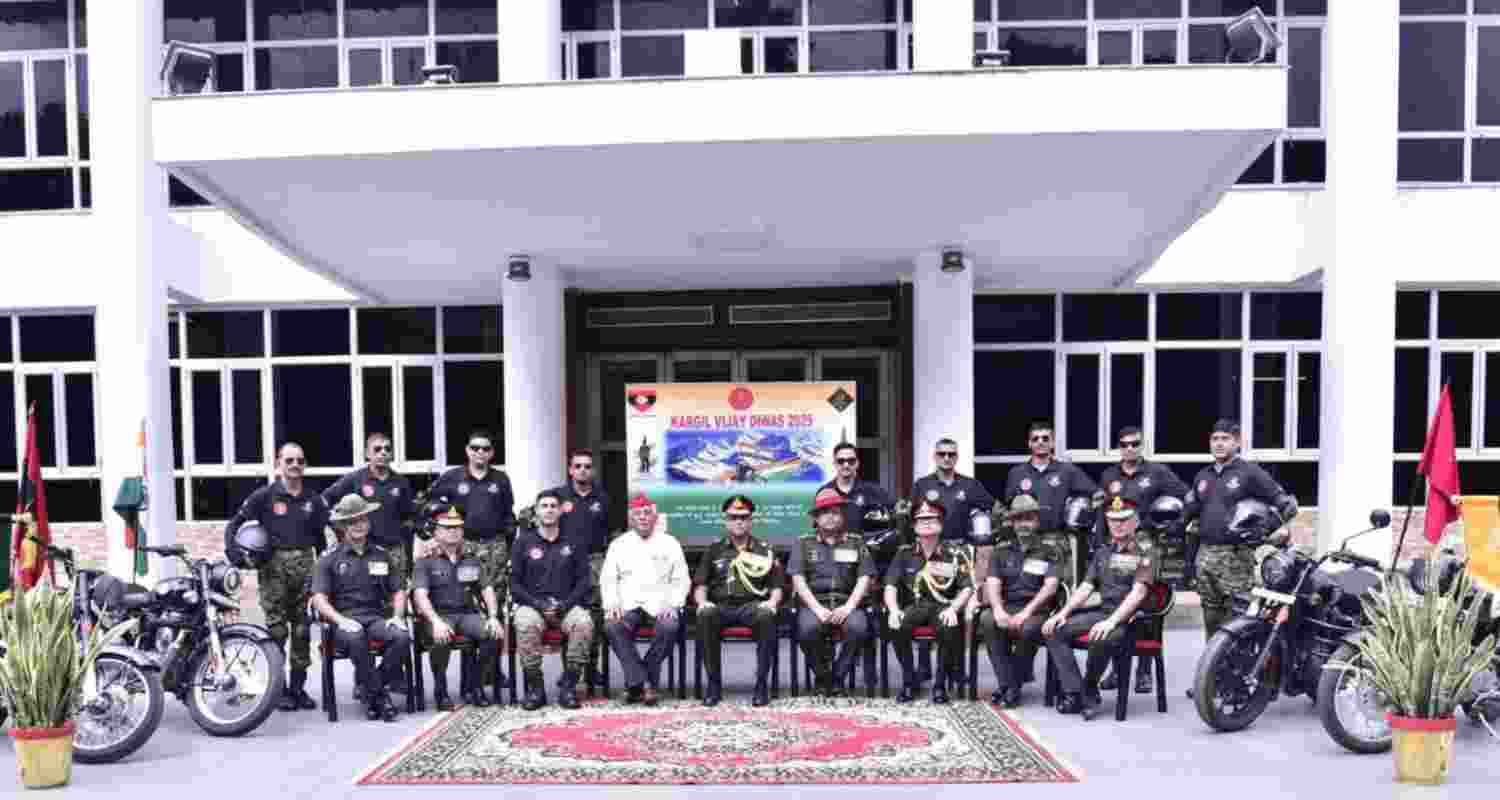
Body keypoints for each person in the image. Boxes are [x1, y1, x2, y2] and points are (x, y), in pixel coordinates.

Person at [224, 442, 331, 712]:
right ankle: (279, 689)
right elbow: (234, 524)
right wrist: (235, 554)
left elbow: (320, 539)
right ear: (278, 464)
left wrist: (324, 573)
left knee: (303, 630)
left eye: (300, 461)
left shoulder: (313, 500)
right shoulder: (264, 496)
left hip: (306, 566)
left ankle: (298, 688)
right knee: (277, 631)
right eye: (289, 460)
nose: (295, 465)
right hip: (273, 568)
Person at [1178, 419, 1298, 643]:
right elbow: (1190, 514)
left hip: (1236, 557)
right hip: (1205, 556)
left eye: (1225, 439)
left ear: (1237, 442)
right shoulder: (1203, 476)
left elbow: (1287, 506)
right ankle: (1211, 665)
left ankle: (1237, 664)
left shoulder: (1250, 472)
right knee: (1211, 620)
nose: (1219, 444)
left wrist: (1263, 533)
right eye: (1215, 439)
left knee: (1236, 623)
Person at [1042, 496, 1157, 721]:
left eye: (1124, 520)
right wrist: (1062, 613)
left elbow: (1138, 594)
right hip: (1103, 612)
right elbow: (1085, 588)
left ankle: (1089, 686)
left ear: (1135, 522)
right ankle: (1078, 692)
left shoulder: (1146, 553)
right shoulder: (1103, 552)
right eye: (1113, 520)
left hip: (1132, 620)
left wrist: (1112, 622)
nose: (1118, 525)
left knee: (1100, 637)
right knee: (1054, 631)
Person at [322, 432, 417, 694]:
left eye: (387, 448)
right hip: (363, 551)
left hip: (394, 552)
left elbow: (410, 520)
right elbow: (325, 501)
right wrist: (339, 533)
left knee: (393, 613)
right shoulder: (355, 479)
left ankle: (392, 675)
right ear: (367, 453)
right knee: (365, 610)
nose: (383, 453)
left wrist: (407, 556)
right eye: (377, 449)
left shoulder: (401, 483)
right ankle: (363, 679)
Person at [1095, 425, 1188, 695]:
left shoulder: (1157, 472)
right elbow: (1102, 512)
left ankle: (1144, 671)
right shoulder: (1109, 476)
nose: (1130, 448)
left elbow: (1185, 497)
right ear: (1119, 447)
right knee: (1116, 599)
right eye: (1124, 444)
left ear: (1141, 445)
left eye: (1134, 444)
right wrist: (1100, 544)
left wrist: (1172, 527)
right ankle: (1117, 669)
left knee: (1147, 605)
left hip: (1146, 545)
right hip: (1116, 546)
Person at [309, 494, 411, 722]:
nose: (358, 525)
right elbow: (319, 599)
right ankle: (380, 698)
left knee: (402, 636)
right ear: (343, 526)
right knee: (356, 638)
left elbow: (398, 590)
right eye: (351, 521)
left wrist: (397, 616)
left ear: (368, 522)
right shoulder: (329, 558)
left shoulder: (382, 555)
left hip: (375, 618)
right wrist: (341, 620)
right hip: (343, 621)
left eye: (362, 519)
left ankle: (370, 690)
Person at [428, 429, 515, 692]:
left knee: (494, 605)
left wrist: (509, 546)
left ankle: (491, 670)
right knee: (467, 604)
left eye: (485, 448)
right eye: (475, 447)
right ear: (467, 450)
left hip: (495, 547)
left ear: (492, 453)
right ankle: (469, 676)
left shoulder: (500, 479)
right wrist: (436, 536)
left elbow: (508, 515)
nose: (480, 452)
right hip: (463, 547)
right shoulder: (452, 477)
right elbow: (431, 507)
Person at [911, 438, 994, 685]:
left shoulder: (970, 485)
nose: (946, 458)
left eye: (951, 454)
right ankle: (924, 666)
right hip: (930, 552)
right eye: (942, 454)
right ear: (934, 456)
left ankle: (956, 668)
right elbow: (910, 518)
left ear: (956, 457)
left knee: (955, 608)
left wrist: (984, 540)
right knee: (925, 602)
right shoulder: (922, 485)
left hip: (959, 553)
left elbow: (992, 510)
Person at [693, 495, 784, 707]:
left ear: (751, 521)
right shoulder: (714, 549)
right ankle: (713, 685)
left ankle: (761, 685)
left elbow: (777, 587)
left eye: (744, 517)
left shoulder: (765, 549)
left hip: (753, 606)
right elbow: (701, 585)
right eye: (733, 517)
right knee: (705, 614)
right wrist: (702, 602)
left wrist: (772, 603)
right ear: (726, 521)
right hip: (721, 606)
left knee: (766, 616)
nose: (739, 522)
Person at [411, 506, 504, 711]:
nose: (453, 531)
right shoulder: (425, 562)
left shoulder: (471, 559)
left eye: (457, 527)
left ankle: (475, 685)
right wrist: (435, 621)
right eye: (447, 528)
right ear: (436, 533)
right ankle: (441, 690)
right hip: (439, 615)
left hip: (466, 614)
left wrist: (493, 616)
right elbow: (420, 596)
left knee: (493, 634)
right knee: (441, 638)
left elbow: (487, 589)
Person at [601, 492, 690, 705]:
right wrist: (612, 602)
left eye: (647, 513)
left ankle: (637, 682)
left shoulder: (670, 543)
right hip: (627, 604)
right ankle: (646, 683)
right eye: (637, 513)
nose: (642, 517)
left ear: (655, 517)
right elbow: (608, 578)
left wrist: (673, 604)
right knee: (612, 626)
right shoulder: (618, 544)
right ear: (631, 518)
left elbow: (681, 579)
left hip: (660, 604)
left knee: (669, 626)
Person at [884, 499, 975, 704]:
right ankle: (909, 682)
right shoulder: (904, 553)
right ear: (914, 526)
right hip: (914, 607)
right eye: (921, 519)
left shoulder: (955, 554)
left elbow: (967, 587)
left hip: (943, 606)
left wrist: (954, 609)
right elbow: (890, 585)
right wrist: (893, 609)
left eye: (932, 518)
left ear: (941, 524)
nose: (926, 522)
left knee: (948, 627)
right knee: (896, 627)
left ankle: (940, 684)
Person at [511, 489, 595, 711]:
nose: (549, 510)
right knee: (525, 623)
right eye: (544, 506)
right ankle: (536, 688)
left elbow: (584, 581)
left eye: (553, 506)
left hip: (566, 605)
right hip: (533, 605)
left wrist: (564, 605)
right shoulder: (523, 542)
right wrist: (538, 604)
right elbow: (514, 584)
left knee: (584, 623)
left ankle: (568, 686)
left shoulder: (574, 541)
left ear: (560, 512)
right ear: (536, 512)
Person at [790, 487, 878, 697]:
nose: (830, 516)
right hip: (814, 603)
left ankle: (837, 677)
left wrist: (848, 607)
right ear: (816, 518)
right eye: (824, 512)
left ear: (842, 516)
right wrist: (818, 609)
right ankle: (822, 676)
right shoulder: (803, 543)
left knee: (858, 628)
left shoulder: (856, 542)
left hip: (847, 602)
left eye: (835, 512)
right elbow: (798, 580)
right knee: (807, 630)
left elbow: (864, 578)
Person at [976, 495, 1060, 709]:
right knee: (987, 620)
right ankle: (1009, 684)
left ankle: (1010, 687)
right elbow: (993, 583)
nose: (1023, 524)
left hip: (1037, 609)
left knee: (1028, 629)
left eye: (1028, 518)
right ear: (1012, 523)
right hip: (1008, 605)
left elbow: (1050, 586)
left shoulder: (1049, 550)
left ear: (1037, 521)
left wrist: (1025, 613)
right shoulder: (1000, 551)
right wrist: (997, 609)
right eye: (1019, 519)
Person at [1003, 421, 1099, 587]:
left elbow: (1097, 495)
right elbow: (1009, 506)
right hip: (1025, 539)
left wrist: (1083, 519)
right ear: (1029, 443)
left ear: (1053, 443)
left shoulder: (1067, 471)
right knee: (1026, 586)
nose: (1040, 442)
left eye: (1045, 438)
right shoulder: (1016, 473)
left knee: (1060, 587)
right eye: (1035, 439)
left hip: (1057, 539)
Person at [818, 442, 897, 537]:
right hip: (834, 545)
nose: (846, 465)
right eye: (841, 461)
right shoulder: (825, 492)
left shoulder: (873, 491)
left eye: (851, 460)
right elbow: (818, 527)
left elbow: (896, 515)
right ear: (834, 464)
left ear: (857, 463)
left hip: (865, 545)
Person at [553, 449, 612, 556]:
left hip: (594, 560)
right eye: (578, 466)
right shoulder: (557, 496)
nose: (582, 470)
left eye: (587, 467)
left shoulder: (603, 498)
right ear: (570, 470)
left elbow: (612, 531)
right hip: (564, 559)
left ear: (593, 471)